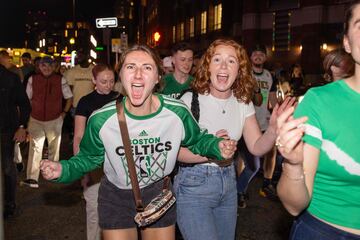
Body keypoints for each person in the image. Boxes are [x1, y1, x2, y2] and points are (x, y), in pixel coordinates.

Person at [40, 44, 237, 240]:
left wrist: (216, 146)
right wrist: (63, 170)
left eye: (147, 68)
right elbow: (88, 158)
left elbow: (198, 140)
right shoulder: (101, 119)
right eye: (131, 67)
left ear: (158, 77)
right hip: (115, 196)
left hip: (158, 194)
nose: (138, 74)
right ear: (121, 75)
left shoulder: (176, 112)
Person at [174, 39, 294, 240]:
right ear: (207, 66)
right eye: (217, 59)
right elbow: (175, 153)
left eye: (231, 61)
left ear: (239, 69)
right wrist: (211, 151)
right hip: (193, 186)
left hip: (229, 183)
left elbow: (256, 147)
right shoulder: (189, 100)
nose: (223, 66)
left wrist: (273, 129)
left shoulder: (242, 102)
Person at [276, 1, 360, 239]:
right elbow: (294, 205)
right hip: (325, 230)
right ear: (347, 42)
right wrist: (292, 163)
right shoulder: (320, 101)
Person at [73, 63, 118, 240]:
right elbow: (78, 135)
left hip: (117, 161)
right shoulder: (85, 102)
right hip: (93, 162)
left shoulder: (120, 98)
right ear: (93, 80)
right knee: (94, 210)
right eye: (103, 81)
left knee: (117, 210)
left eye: (111, 81)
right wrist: (80, 166)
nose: (108, 85)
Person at [21, 56, 73, 188]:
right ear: (39, 66)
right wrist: (27, 117)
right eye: (44, 65)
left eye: (49, 66)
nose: (46, 68)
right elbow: (26, 99)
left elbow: (69, 97)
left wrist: (64, 113)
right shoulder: (33, 79)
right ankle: (32, 178)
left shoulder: (60, 79)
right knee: (35, 147)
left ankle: (52, 173)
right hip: (35, 118)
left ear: (54, 67)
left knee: (53, 148)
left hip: (55, 119)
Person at [0, 64, 31, 218]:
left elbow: (24, 104)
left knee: (7, 166)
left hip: (6, 130)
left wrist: (21, 127)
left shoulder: (10, 78)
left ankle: (9, 203)